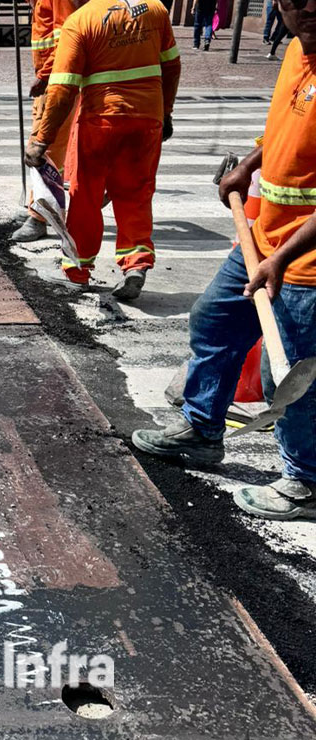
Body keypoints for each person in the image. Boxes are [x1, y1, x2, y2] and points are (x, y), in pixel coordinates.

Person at [132, 0, 316, 520]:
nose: (308, 8)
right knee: (214, 318)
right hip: (266, 239)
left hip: (303, 261)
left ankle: (305, 482)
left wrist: (279, 260)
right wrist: (248, 168)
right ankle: (201, 429)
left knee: (294, 373)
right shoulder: (299, 53)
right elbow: (282, 128)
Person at [24, 0, 181, 300]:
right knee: (135, 194)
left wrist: (41, 140)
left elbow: (62, 91)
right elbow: (172, 66)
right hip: (147, 120)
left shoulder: (81, 21)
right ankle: (136, 264)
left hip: (101, 121)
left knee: (86, 197)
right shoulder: (155, 9)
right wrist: (167, 112)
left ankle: (78, 272)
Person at [13, 0, 82, 243]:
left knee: (43, 146)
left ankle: (39, 217)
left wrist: (44, 76)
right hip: (52, 79)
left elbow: (66, 39)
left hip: (59, 81)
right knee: (50, 146)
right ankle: (40, 208)